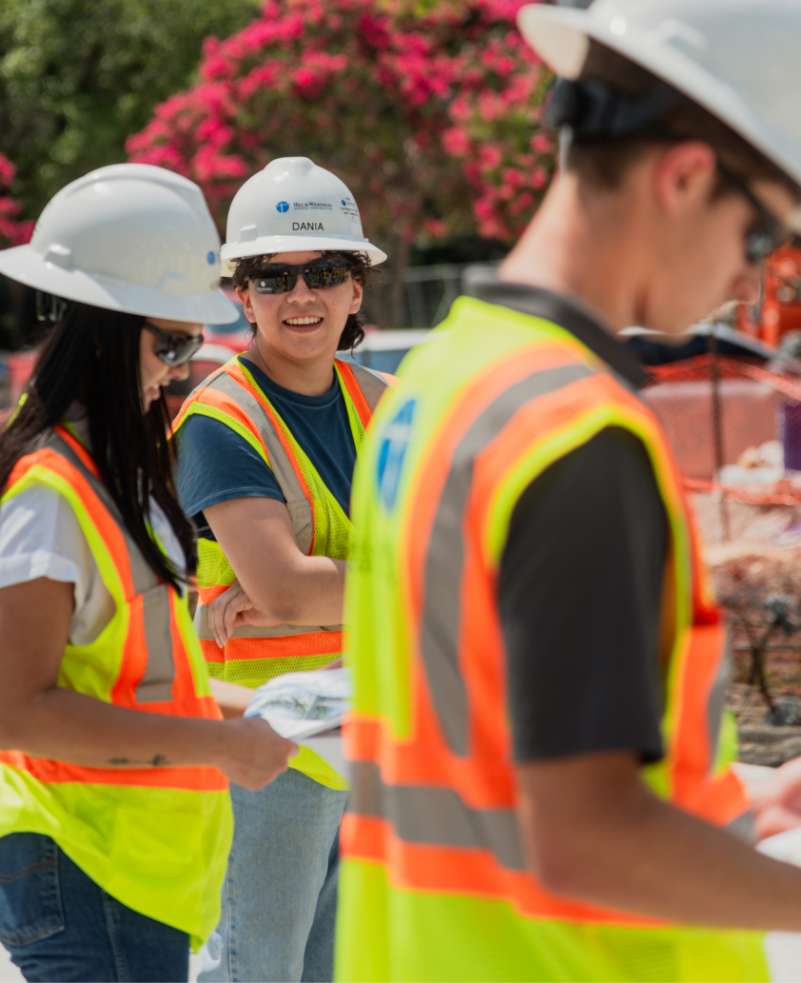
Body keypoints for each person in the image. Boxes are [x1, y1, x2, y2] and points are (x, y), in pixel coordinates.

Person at [335, 2, 801, 980]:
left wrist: (727, 797)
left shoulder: (442, 380)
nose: (748, 285)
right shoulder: (576, 434)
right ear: (684, 178)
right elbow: (588, 836)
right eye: (762, 239)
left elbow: (497, 747)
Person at [0, 163, 296, 983]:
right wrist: (220, 743)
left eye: (190, 344)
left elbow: (147, 679)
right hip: (86, 857)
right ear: (98, 331)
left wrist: (283, 714)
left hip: (123, 868)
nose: (177, 368)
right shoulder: (50, 492)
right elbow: (14, 709)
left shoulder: (115, 482)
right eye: (168, 343)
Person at [173, 156, 389, 982]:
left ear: (356, 288)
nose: (301, 297)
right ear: (241, 292)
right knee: (257, 967)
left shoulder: (385, 402)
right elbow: (287, 588)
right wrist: (301, 594)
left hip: (374, 729)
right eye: (274, 277)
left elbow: (459, 560)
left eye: (324, 272)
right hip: (270, 745)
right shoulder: (221, 420)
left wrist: (311, 594)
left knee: (342, 966)